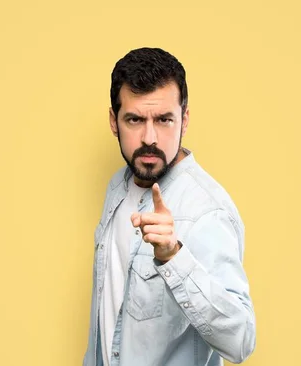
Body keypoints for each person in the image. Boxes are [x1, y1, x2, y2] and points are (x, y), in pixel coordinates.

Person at [83, 47, 256, 366]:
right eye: (134, 119)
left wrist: (174, 256)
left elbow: (240, 340)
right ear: (114, 121)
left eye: (164, 120)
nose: (149, 138)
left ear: (184, 120)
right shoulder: (118, 187)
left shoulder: (207, 211)